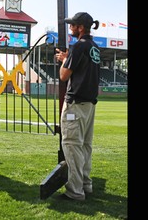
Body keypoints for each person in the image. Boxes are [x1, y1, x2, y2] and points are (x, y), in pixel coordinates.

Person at [55, 12, 101, 201]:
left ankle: (75, 191)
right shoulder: (95, 47)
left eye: (73, 25)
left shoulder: (78, 46)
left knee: (72, 145)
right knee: (85, 146)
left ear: (81, 27)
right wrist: (70, 57)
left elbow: (63, 76)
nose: (70, 27)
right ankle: (85, 184)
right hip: (90, 104)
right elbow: (83, 66)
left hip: (75, 104)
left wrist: (64, 60)